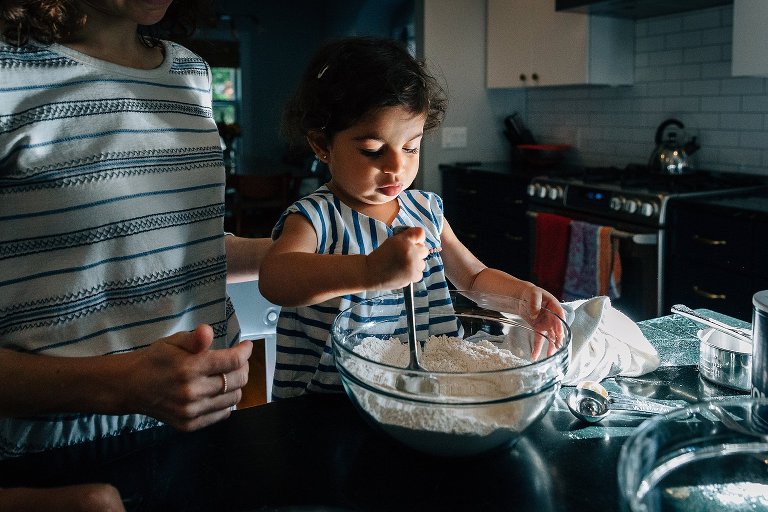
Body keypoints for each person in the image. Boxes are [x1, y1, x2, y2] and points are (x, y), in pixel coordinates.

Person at [0, 0, 270, 508]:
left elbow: (178, 243)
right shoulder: (7, 71)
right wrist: (120, 385)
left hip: (211, 425)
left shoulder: (189, 72)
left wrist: (330, 249)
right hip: (59, 459)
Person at [259, 36, 566, 400]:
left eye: (411, 147)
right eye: (372, 151)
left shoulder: (426, 212)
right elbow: (275, 279)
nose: (397, 166)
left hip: (422, 393)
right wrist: (369, 271)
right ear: (322, 145)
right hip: (335, 403)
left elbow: (473, 277)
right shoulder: (317, 217)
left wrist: (522, 298)